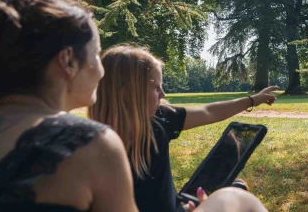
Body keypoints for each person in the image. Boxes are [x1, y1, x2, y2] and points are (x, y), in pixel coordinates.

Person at [0, 0, 138, 212]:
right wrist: (217, 204)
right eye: (97, 54)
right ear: (68, 60)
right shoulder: (89, 143)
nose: (101, 71)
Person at [89, 45, 277, 212]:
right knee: (237, 197)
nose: (163, 94)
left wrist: (252, 100)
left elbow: (208, 111)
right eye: (156, 87)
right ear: (128, 95)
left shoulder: (158, 119)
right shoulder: (154, 125)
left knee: (236, 186)